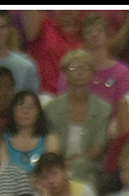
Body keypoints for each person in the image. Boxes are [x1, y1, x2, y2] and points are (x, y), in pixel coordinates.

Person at [44, 48, 112, 185]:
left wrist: (78, 159)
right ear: (65, 73)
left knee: (80, 165)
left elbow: (98, 147)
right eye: (73, 67)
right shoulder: (52, 108)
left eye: (85, 67)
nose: (80, 71)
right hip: (58, 163)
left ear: (92, 73)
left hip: (90, 165)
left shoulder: (103, 108)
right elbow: (50, 143)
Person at [2, 90, 61, 174]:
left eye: (31, 107)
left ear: (38, 112)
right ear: (12, 110)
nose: (26, 111)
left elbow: (51, 173)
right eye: (20, 106)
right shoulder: (2, 141)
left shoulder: (50, 140)